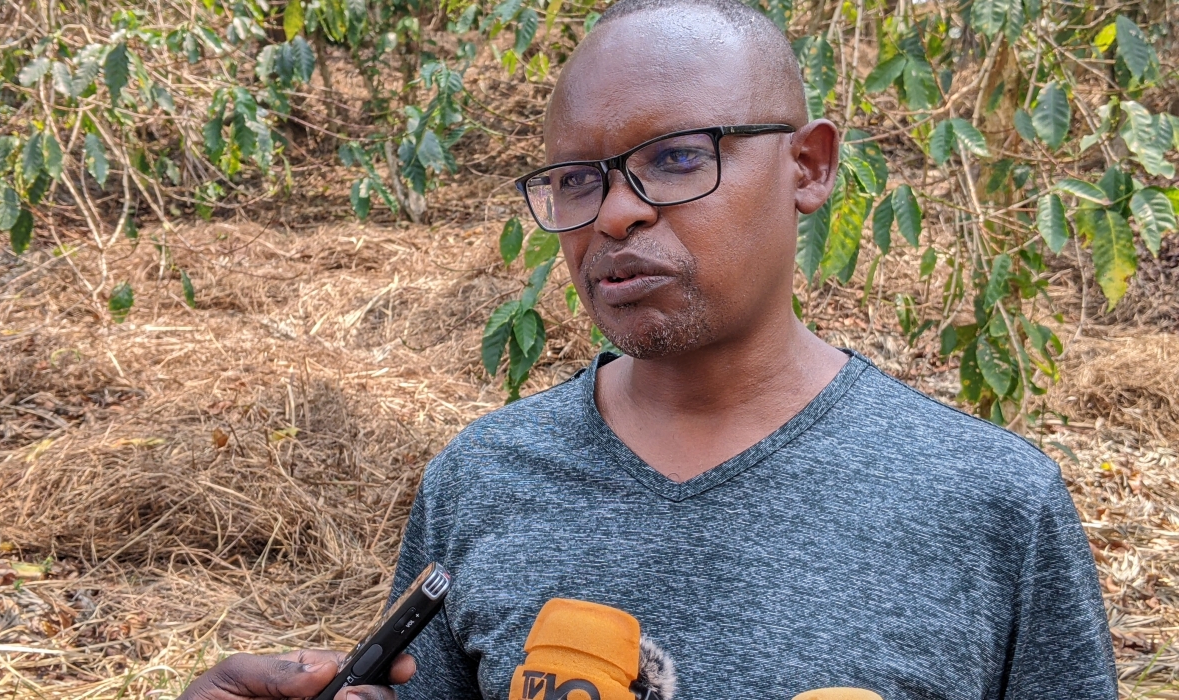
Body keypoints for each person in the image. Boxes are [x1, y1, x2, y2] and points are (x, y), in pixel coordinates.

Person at [179, 0, 1118, 698]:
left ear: (809, 166)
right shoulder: (482, 479)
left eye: (676, 157)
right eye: (576, 179)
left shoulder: (992, 503)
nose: (615, 214)